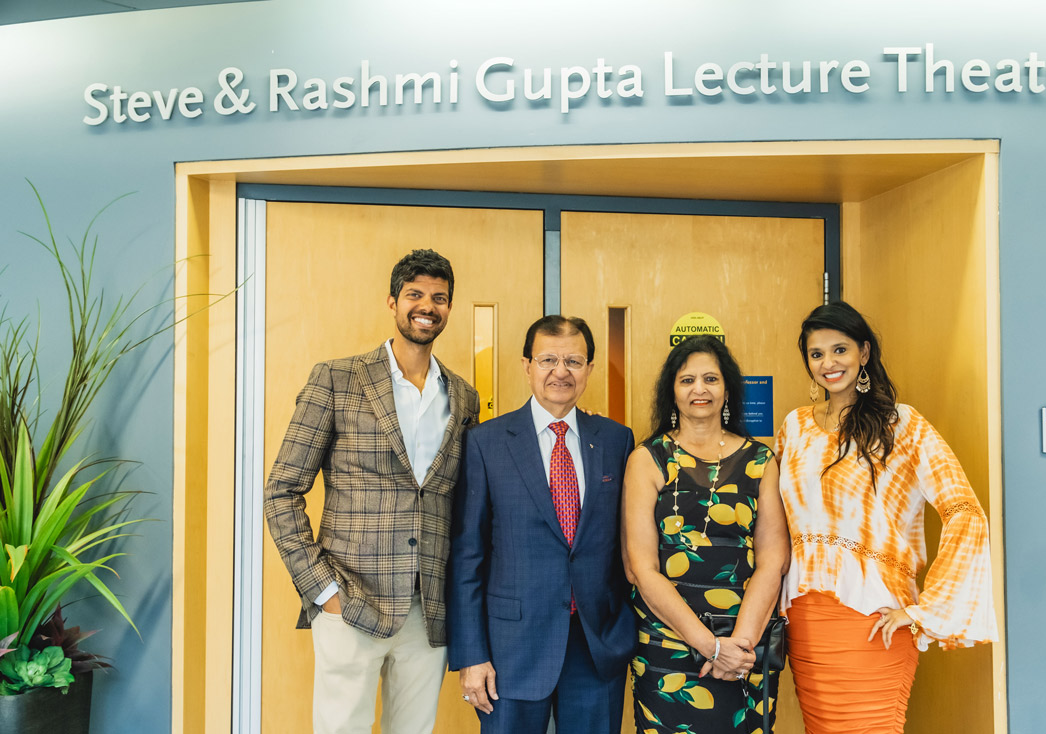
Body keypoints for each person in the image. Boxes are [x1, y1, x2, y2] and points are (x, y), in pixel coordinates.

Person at [264, 249, 479, 734]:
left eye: (440, 298)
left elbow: (460, 502)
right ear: (393, 301)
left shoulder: (464, 396)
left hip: (429, 609)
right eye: (416, 295)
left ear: (449, 308)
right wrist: (323, 589)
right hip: (350, 600)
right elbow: (281, 490)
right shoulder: (337, 379)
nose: (428, 306)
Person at [776, 301, 998, 733]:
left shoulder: (902, 425)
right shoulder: (794, 426)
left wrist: (924, 611)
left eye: (838, 350)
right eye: (816, 354)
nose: (827, 363)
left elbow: (964, 510)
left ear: (863, 352)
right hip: (804, 621)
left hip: (874, 620)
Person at [447, 315, 635, 734]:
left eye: (574, 360)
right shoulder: (486, 442)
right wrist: (471, 656)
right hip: (510, 649)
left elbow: (626, 543)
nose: (560, 371)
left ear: (589, 369)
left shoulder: (616, 440)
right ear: (526, 365)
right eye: (548, 359)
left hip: (595, 645)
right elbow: (467, 557)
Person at [622, 335, 790, 734]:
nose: (700, 389)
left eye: (711, 379)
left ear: (727, 389)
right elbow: (641, 569)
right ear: (672, 392)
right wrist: (709, 646)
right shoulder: (647, 459)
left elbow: (773, 561)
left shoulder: (760, 459)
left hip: (746, 648)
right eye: (687, 380)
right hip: (668, 645)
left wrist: (738, 648)